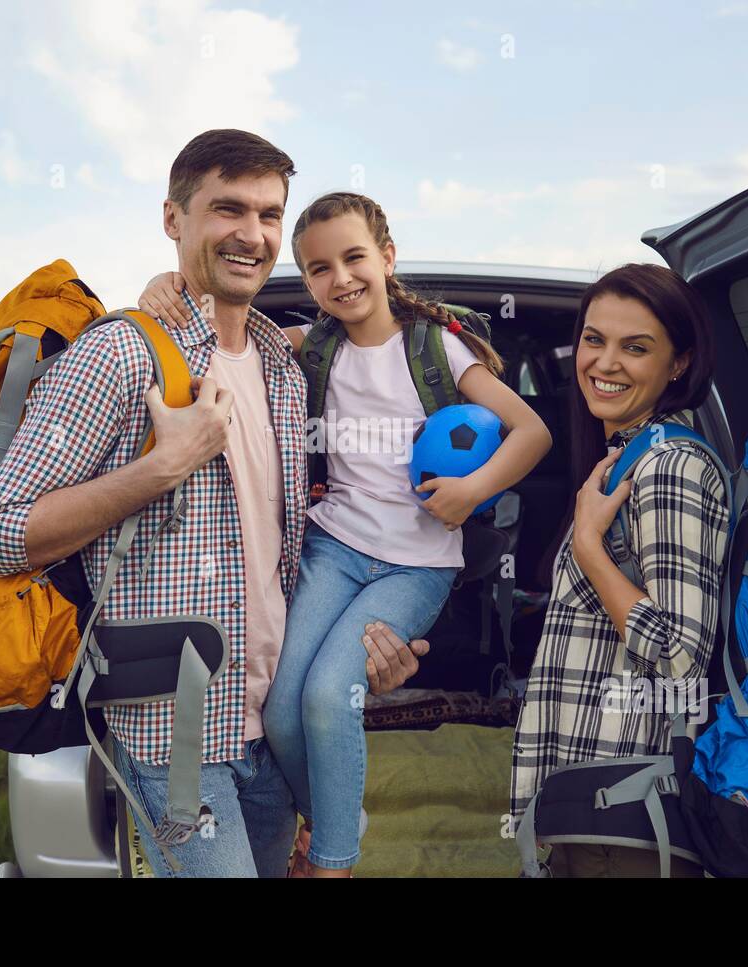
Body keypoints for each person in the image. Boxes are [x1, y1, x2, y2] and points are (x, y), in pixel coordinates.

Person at [0, 131, 431, 878]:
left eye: (269, 214)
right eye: (228, 208)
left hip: (274, 733)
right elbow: (0, 534)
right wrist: (162, 467)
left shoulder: (284, 365)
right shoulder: (119, 354)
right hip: (177, 737)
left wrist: (372, 648)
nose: (252, 234)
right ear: (173, 219)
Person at [138, 191, 552, 876]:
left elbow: (531, 431)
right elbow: (226, 330)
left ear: (387, 258)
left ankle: (333, 859)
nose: (341, 278)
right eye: (319, 269)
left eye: (354, 257)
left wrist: (474, 491)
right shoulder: (313, 345)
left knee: (330, 694)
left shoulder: (438, 348)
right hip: (333, 549)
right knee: (279, 711)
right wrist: (168, 285)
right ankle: (334, 812)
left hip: (414, 564)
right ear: (307, 283)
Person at [508, 262, 729, 876]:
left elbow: (681, 655)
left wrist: (587, 546)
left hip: (628, 808)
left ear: (678, 363)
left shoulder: (669, 468)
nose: (604, 364)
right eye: (594, 339)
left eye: (636, 348)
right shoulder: (626, 455)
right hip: (593, 796)